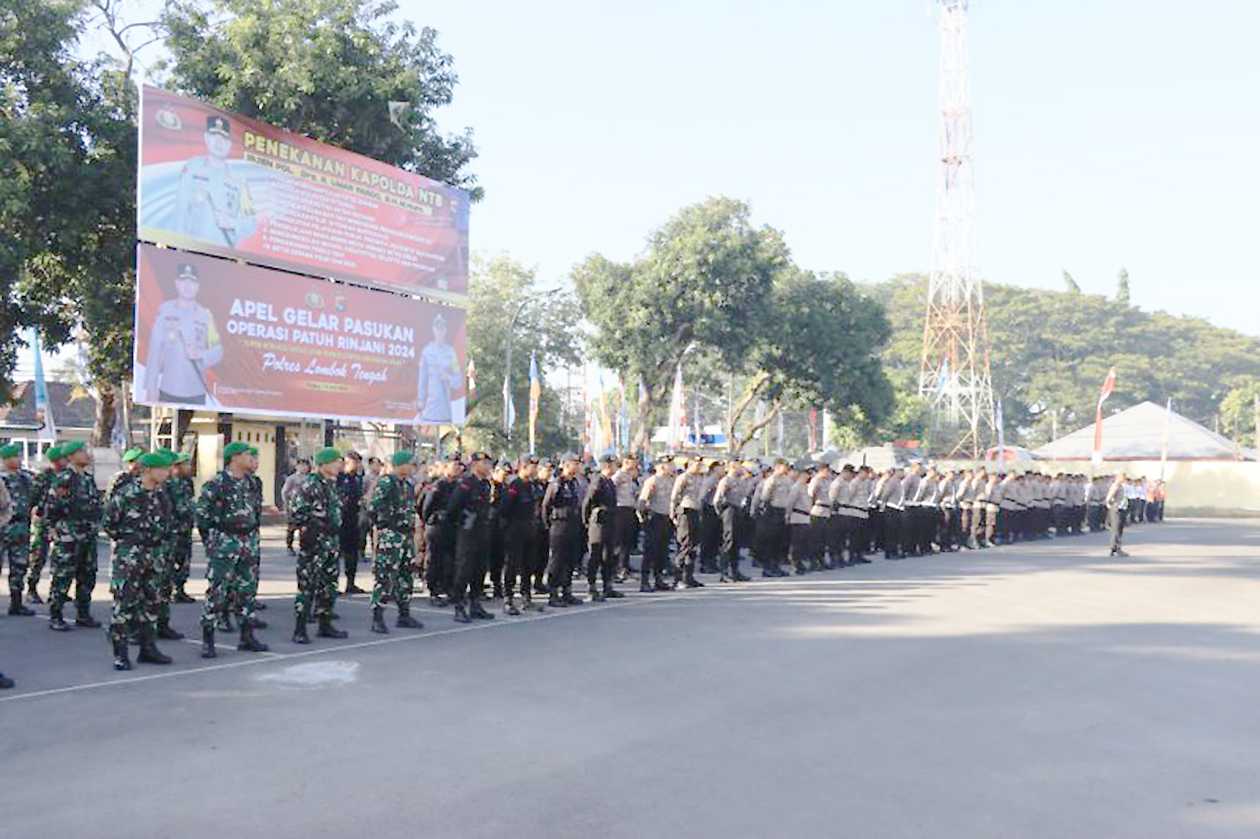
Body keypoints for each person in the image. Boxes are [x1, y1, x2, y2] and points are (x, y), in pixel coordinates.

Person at [195, 441, 268, 657]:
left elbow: (255, 511)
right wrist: (212, 543)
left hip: (249, 542)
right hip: (225, 542)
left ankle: (247, 636)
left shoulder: (253, 483)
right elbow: (202, 516)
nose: (251, 458)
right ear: (234, 458)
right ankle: (208, 638)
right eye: (247, 454)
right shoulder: (217, 484)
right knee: (218, 591)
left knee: (247, 591)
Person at [104, 451, 175, 671]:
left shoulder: (161, 494)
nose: (167, 473)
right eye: (162, 469)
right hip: (130, 555)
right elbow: (109, 523)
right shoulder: (127, 493)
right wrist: (129, 542)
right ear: (148, 470)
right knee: (125, 603)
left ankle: (148, 648)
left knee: (152, 601)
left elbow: (167, 522)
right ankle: (121, 653)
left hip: (154, 554)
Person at [140, 262, 223, 406]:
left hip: (196, 392)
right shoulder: (165, 312)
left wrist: (201, 354)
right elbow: (155, 351)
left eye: (192, 282)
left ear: (198, 286)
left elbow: (218, 350)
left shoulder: (205, 316)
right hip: (169, 390)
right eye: (183, 281)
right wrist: (150, 387)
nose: (187, 286)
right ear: (176, 283)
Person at [288, 447, 348, 643]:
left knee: (328, 585)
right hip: (315, 543)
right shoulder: (310, 484)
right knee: (308, 586)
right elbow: (297, 512)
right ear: (323, 465)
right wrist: (313, 528)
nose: (339, 465)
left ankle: (325, 623)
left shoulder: (331, 484)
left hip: (331, 541)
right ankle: (299, 628)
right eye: (336, 461)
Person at [44, 441, 104, 632]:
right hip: (68, 537)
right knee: (63, 576)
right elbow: (51, 507)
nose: (86, 455)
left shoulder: (87, 478)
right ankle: (56, 615)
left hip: (88, 535)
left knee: (87, 575)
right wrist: (54, 530)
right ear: (71, 456)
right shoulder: (64, 479)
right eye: (82, 452)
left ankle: (83, 614)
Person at [174, 114, 255, 246]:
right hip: (193, 250)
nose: (219, 142)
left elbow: (251, 223)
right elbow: (180, 211)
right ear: (206, 138)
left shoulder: (240, 180)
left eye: (224, 138)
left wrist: (232, 223)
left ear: (230, 144)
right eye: (214, 136)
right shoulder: (192, 168)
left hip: (224, 256)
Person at [367, 451, 423, 633]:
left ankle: (404, 615)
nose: (412, 467)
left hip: (405, 536)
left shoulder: (407, 484)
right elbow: (373, 507)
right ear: (400, 465)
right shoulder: (386, 482)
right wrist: (385, 525)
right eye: (409, 464)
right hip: (391, 535)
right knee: (385, 577)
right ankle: (377, 617)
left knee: (406, 576)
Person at [447, 452, 496, 623]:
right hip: (467, 532)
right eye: (486, 463)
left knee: (480, 569)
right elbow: (452, 508)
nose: (489, 467)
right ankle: (459, 606)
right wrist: (461, 524)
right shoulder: (466, 483)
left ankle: (475, 604)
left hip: (482, 530)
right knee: (464, 569)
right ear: (475, 464)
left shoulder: (485, 484)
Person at [500, 456, 543, 616]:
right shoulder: (514, 485)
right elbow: (504, 509)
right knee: (512, 565)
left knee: (528, 565)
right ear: (524, 467)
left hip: (529, 530)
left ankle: (526, 598)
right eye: (533, 466)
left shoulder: (531, 485)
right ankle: (508, 599)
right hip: (515, 530)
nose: (536, 469)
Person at [542, 454, 585, 607]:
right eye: (575, 464)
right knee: (557, 561)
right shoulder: (557, 483)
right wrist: (548, 525)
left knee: (570, 560)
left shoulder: (574, 483)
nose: (579, 466)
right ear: (567, 465)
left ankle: (567, 591)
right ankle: (553, 593)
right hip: (559, 526)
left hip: (573, 525)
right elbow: (546, 506)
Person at [420, 454, 462, 606]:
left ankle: (449, 588)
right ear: (445, 467)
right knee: (435, 559)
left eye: (459, 465)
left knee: (451, 560)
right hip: (437, 527)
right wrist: (430, 521)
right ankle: (434, 590)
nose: (457, 468)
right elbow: (425, 507)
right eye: (454, 465)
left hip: (453, 526)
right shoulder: (438, 485)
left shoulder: (459, 485)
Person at [25, 445, 65, 604]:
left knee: (60, 558)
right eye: (63, 458)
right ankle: (31, 589)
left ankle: (56, 591)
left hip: (60, 522)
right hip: (42, 521)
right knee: (38, 557)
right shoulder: (44, 477)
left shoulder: (66, 476)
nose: (66, 460)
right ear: (56, 460)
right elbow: (33, 498)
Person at [1, 443, 35, 616]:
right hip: (2, 526)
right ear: (6, 460)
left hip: (21, 526)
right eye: (15, 456)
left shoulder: (25, 478)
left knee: (19, 566)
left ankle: (16, 603)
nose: (19, 459)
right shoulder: (1, 479)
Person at [583, 454, 623, 601]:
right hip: (598, 522)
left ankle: (608, 586)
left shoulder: (609, 482)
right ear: (607, 465)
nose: (615, 467)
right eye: (613, 465)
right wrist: (587, 522)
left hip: (609, 521)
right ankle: (591, 587)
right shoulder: (598, 480)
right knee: (596, 555)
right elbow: (588, 502)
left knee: (609, 556)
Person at [636, 457, 675, 592]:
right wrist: (643, 519)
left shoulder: (671, 480)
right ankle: (645, 581)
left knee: (662, 551)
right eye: (669, 464)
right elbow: (642, 502)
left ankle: (659, 578)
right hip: (654, 517)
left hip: (666, 518)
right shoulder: (652, 481)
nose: (672, 467)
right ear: (662, 466)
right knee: (650, 551)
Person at [416, 313, 460, 424]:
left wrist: (448, 378)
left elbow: (458, 380)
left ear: (445, 330)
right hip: (430, 408)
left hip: (446, 409)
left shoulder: (451, 352)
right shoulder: (427, 351)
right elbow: (422, 379)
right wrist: (420, 400)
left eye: (442, 328)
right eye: (437, 328)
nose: (440, 332)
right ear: (433, 330)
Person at [670, 456, 707, 589]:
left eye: (700, 465)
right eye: (696, 464)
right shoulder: (683, 477)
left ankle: (688, 576)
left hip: (696, 511)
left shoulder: (700, 478)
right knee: (684, 544)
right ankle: (677, 578)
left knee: (693, 545)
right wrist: (673, 513)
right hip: (685, 511)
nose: (698, 467)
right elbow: (675, 496)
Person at [713, 460, 751, 582]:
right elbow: (717, 499)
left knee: (737, 542)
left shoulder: (740, 481)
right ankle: (724, 573)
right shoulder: (726, 480)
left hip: (738, 510)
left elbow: (745, 494)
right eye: (740, 466)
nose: (742, 468)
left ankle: (735, 571)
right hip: (729, 510)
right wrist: (722, 513)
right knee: (729, 541)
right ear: (733, 467)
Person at [167, 453, 197, 603]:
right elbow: (176, 507)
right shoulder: (169, 483)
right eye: (185, 464)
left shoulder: (187, 482)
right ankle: (171, 589)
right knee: (173, 559)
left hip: (186, 527)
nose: (189, 467)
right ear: (176, 466)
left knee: (184, 559)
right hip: (174, 528)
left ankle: (180, 589)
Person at [336, 451, 366, 595]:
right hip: (339, 520)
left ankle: (350, 583)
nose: (357, 465)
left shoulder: (358, 479)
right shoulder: (339, 478)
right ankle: (331, 585)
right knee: (335, 553)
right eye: (354, 462)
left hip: (353, 520)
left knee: (352, 554)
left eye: (358, 462)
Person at [611, 456, 640, 581]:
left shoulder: (630, 476)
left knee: (627, 541)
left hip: (629, 509)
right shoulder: (618, 475)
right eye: (633, 463)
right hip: (619, 509)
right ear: (626, 462)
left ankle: (624, 567)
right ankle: (616, 569)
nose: (635, 465)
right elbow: (611, 489)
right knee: (619, 541)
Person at [281, 459, 310, 555]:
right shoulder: (292, 479)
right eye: (301, 465)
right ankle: (289, 546)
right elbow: (285, 492)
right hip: (293, 507)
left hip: (305, 507)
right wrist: (287, 505)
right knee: (292, 528)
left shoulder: (309, 478)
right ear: (296, 467)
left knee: (304, 528)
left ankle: (303, 546)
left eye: (305, 465)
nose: (303, 467)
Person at [1106, 474, 1130, 557]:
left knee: (1119, 529)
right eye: (1122, 478)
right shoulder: (1115, 486)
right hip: (1116, 510)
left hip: (1121, 509)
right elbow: (1109, 498)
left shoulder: (1121, 486)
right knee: (1116, 529)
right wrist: (1112, 506)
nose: (1124, 479)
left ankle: (1116, 547)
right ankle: (1115, 548)